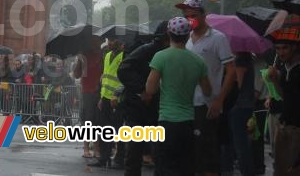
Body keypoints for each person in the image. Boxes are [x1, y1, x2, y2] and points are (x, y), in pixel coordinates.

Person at [145, 16, 212, 176]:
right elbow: (208, 91)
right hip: (189, 122)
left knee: (163, 167)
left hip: (166, 121)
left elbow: (149, 89)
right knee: (186, 167)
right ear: (188, 35)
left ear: (169, 33)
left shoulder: (161, 57)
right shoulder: (198, 61)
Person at [176, 0, 235, 176]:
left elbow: (231, 71)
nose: (189, 20)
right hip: (185, 104)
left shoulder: (218, 38)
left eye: (193, 15)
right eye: (186, 16)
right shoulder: (185, 40)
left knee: (207, 154)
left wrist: (219, 100)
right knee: (190, 153)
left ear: (203, 14)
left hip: (206, 105)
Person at [117, 20, 169, 176]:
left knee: (159, 152)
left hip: (158, 109)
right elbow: (124, 69)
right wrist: (142, 90)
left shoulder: (167, 54)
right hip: (136, 109)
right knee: (134, 151)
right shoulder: (146, 50)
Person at [266, 24, 300, 176]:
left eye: (285, 48)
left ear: (294, 47)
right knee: (279, 169)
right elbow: (285, 96)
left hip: (297, 129)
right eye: (277, 48)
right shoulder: (284, 66)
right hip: (284, 125)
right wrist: (275, 80)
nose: (280, 52)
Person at [88, 35, 125, 169]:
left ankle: (119, 160)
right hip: (105, 99)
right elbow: (106, 77)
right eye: (109, 40)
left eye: (112, 40)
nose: (109, 42)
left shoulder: (125, 56)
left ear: (120, 41)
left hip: (119, 99)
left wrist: (117, 95)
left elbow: (124, 79)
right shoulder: (108, 55)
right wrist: (101, 97)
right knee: (105, 130)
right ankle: (103, 158)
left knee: (119, 130)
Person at [73, 35, 103, 159]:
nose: (96, 42)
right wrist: (78, 62)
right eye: (94, 40)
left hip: (100, 91)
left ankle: (96, 148)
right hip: (87, 92)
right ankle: (86, 148)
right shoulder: (83, 56)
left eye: (98, 40)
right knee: (88, 120)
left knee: (97, 121)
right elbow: (76, 75)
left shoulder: (102, 54)